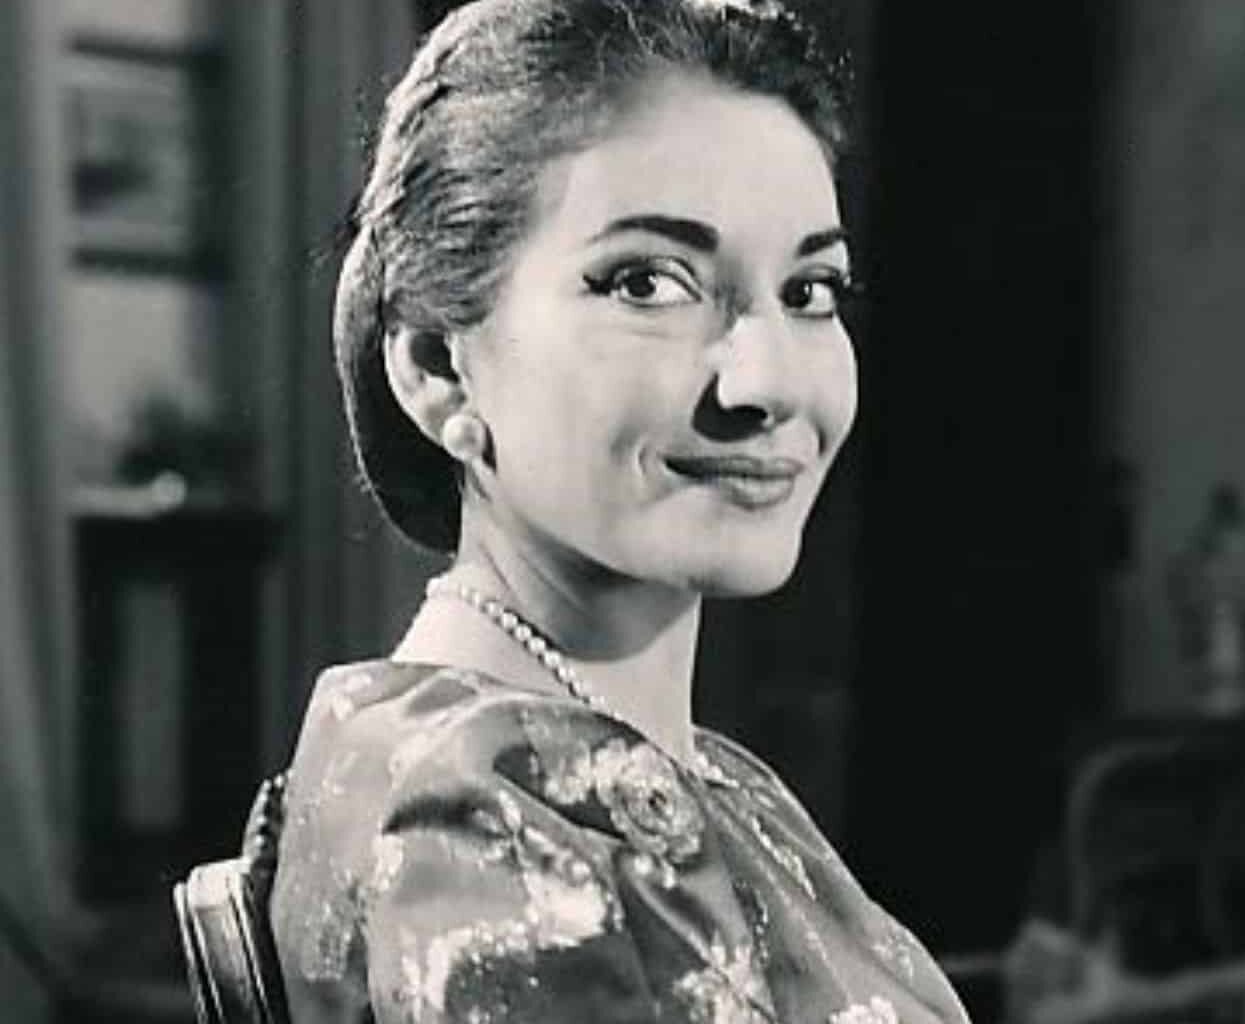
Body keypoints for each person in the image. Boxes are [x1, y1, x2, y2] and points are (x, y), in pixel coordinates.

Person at [267, 1, 972, 1021]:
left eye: (810, 290)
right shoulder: (478, 819)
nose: (767, 382)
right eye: (647, 283)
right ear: (437, 368)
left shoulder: (695, 778)